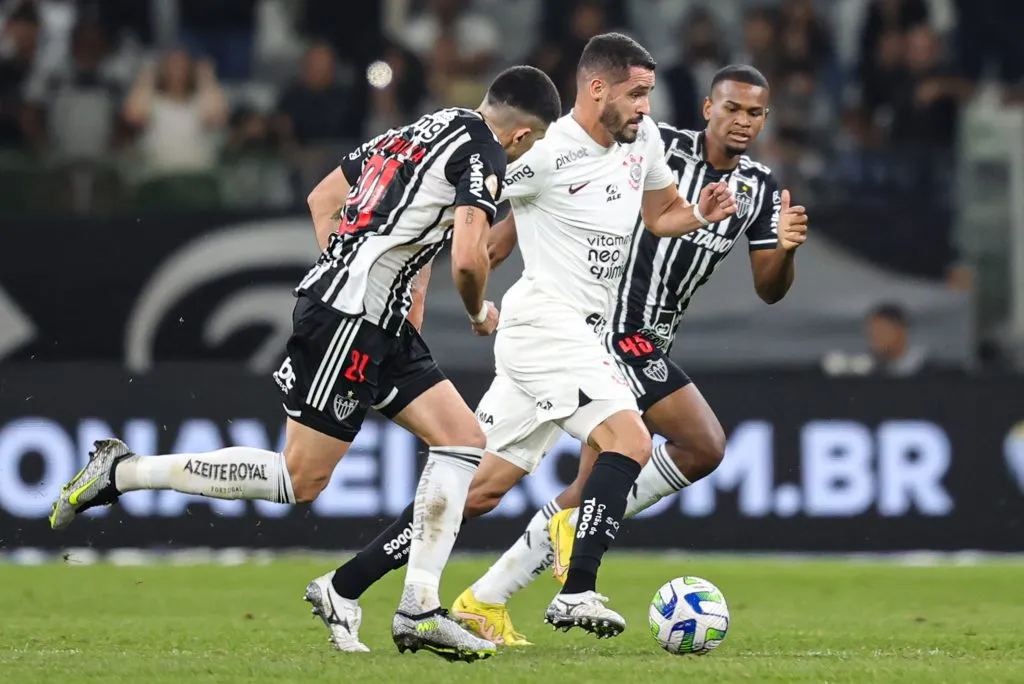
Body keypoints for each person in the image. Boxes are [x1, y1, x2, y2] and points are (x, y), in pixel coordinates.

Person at [47, 65, 563, 663]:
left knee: (462, 441)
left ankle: (419, 606)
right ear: (523, 137)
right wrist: (474, 313)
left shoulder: (425, 127)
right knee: (300, 478)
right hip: (350, 322)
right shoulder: (485, 153)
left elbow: (326, 197)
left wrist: (358, 268)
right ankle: (123, 472)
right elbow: (470, 260)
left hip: (379, 322)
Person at [312, 32, 737, 651]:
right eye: (637, 94)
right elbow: (461, 210)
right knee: (629, 439)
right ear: (596, 90)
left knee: (476, 489)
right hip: (545, 326)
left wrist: (700, 212)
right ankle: (576, 590)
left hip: (571, 337)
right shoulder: (545, 152)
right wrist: (452, 285)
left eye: (648, 94)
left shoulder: (640, 140)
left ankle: (343, 586)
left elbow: (660, 213)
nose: (648, 107)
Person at [453, 64, 810, 643]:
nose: (741, 121)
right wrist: (496, 246)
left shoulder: (760, 188)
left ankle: (479, 597)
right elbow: (556, 186)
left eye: (754, 113)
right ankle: (540, 561)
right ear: (707, 108)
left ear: (765, 119)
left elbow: (769, 288)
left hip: (649, 338)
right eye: (731, 109)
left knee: (529, 488)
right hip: (608, 328)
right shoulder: (652, 141)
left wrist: (788, 251)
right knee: (702, 443)